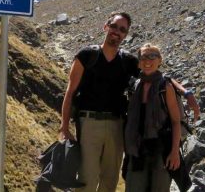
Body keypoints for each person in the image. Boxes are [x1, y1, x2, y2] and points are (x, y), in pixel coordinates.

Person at [59, 13, 197, 192]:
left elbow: (156, 75)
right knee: (87, 178)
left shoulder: (128, 61)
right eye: (114, 26)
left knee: (110, 179)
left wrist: (186, 93)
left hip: (117, 125)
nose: (117, 32)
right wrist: (63, 127)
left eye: (122, 29)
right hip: (89, 123)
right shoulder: (86, 56)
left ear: (126, 34)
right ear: (106, 26)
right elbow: (70, 93)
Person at [123, 44, 183, 192]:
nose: (147, 60)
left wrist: (175, 152)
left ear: (160, 60)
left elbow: (176, 121)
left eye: (152, 56)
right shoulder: (134, 86)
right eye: (143, 57)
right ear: (138, 62)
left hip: (161, 150)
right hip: (137, 149)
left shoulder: (165, 86)